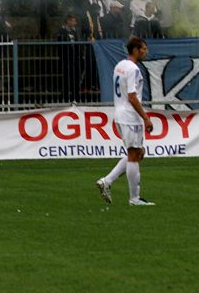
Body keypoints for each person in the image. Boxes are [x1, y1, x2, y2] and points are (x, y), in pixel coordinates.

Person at [96, 37, 155, 206]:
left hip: (120, 114)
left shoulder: (120, 65)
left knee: (137, 153)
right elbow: (132, 97)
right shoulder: (133, 70)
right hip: (130, 116)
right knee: (134, 156)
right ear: (136, 50)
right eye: (143, 48)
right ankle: (134, 199)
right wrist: (146, 118)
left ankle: (107, 181)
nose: (146, 51)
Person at [56, 14, 82, 102]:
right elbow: (60, 45)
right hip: (66, 58)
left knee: (76, 78)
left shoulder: (75, 31)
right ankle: (66, 97)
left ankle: (76, 97)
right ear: (68, 21)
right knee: (67, 79)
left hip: (75, 58)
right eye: (73, 21)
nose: (75, 23)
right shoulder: (62, 31)